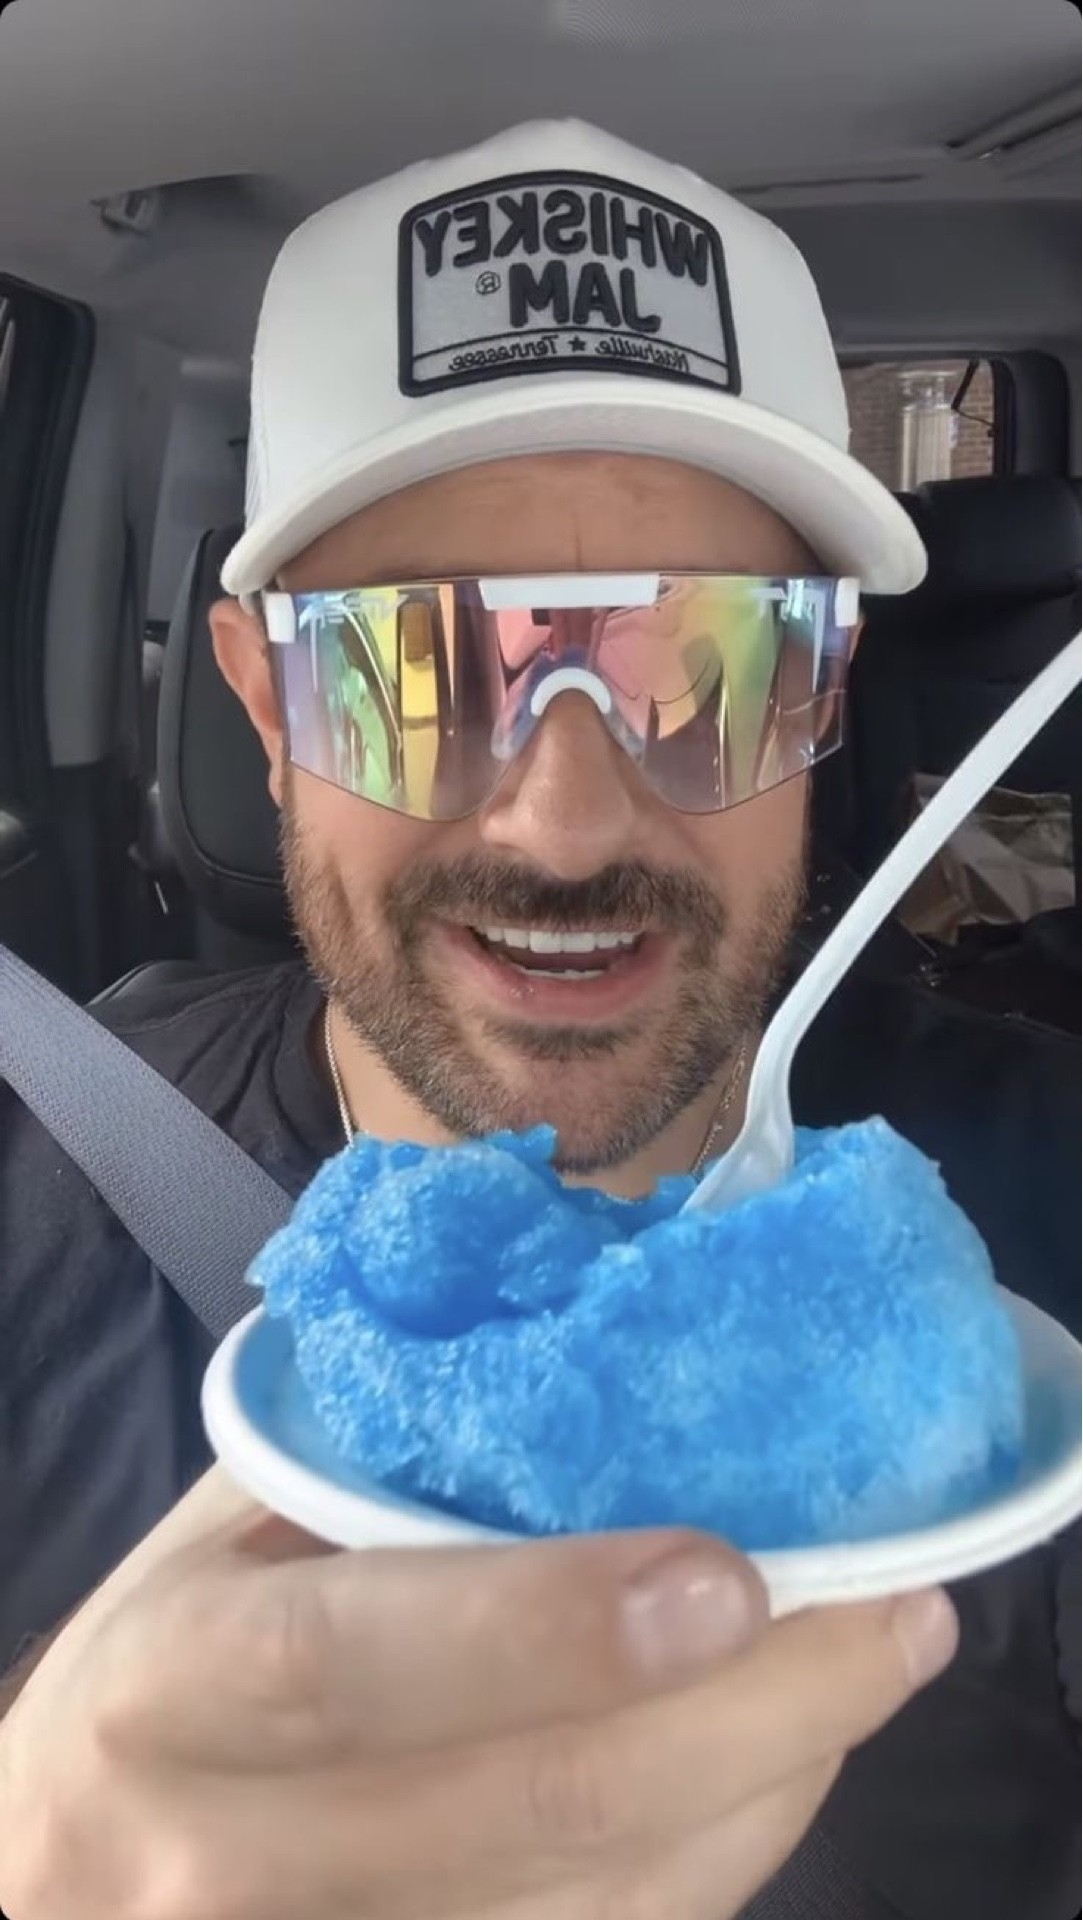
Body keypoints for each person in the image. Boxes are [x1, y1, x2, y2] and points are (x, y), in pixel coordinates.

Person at [0, 120, 1077, 1920]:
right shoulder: (29, 1210)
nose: (566, 827)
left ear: (825, 692)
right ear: (264, 702)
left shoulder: (1050, 1197)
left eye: (711, 667)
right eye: (417, 671)